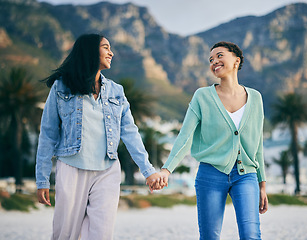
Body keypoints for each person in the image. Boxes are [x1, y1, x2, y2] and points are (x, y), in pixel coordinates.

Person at [35, 33, 162, 240]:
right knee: (65, 234)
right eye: (105, 47)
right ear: (90, 51)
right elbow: (48, 134)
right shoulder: (62, 86)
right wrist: (42, 180)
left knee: (101, 235)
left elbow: (130, 132)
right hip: (71, 168)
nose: (111, 52)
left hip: (107, 170)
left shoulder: (116, 91)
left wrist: (148, 171)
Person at [159, 41, 268, 240]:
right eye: (210, 59)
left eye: (219, 56)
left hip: (246, 175)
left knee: (251, 235)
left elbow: (257, 145)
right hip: (210, 174)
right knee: (209, 236)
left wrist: (262, 183)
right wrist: (167, 169)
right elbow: (185, 137)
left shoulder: (256, 98)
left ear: (236, 60)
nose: (214, 62)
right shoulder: (202, 96)